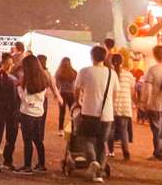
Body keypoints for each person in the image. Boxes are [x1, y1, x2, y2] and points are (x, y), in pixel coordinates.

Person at [70, 44, 119, 174]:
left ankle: (93, 162)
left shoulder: (84, 71)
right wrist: (110, 106)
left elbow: (77, 89)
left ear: (92, 56)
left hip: (88, 111)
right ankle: (99, 172)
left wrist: (78, 102)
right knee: (102, 142)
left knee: (85, 138)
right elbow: (115, 94)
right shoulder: (111, 73)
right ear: (105, 57)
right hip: (107, 114)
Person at [0, 53, 22, 173]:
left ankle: (8, 161)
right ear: (3, 63)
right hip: (1, 109)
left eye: (11, 63)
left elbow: (18, 93)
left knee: (11, 136)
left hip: (13, 110)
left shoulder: (14, 76)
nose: (10, 65)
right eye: (8, 63)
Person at [17, 54, 52, 173]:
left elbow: (27, 100)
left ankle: (27, 166)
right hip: (39, 113)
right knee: (38, 140)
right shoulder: (43, 77)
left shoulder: (29, 80)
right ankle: (41, 164)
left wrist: (19, 89)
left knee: (27, 140)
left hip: (28, 114)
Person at [140, 47, 162, 160]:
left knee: (157, 130)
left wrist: (144, 102)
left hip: (155, 104)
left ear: (154, 55)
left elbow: (147, 88)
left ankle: (159, 153)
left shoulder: (152, 70)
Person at [108, 52, 138, 162]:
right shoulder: (129, 75)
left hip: (112, 105)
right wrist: (136, 103)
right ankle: (126, 152)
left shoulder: (110, 74)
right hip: (125, 106)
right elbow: (133, 92)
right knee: (124, 130)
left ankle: (111, 151)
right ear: (123, 62)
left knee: (111, 129)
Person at [53, 57, 79, 133]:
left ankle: (60, 130)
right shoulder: (74, 72)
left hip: (62, 93)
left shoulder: (59, 72)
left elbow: (56, 85)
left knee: (62, 112)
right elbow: (76, 84)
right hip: (71, 94)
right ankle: (73, 128)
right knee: (73, 112)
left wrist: (56, 94)